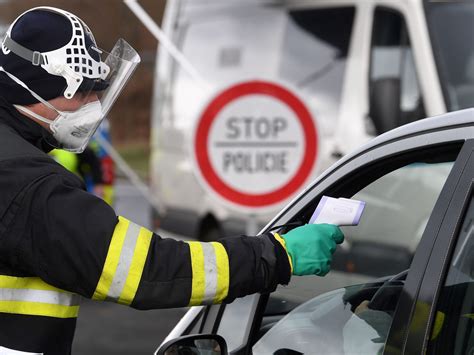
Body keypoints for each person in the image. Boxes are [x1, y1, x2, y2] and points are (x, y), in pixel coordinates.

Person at [0, 7, 344, 354]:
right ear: (33, 88)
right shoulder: (28, 186)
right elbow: (146, 270)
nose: (94, 104)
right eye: (84, 91)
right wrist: (275, 255)